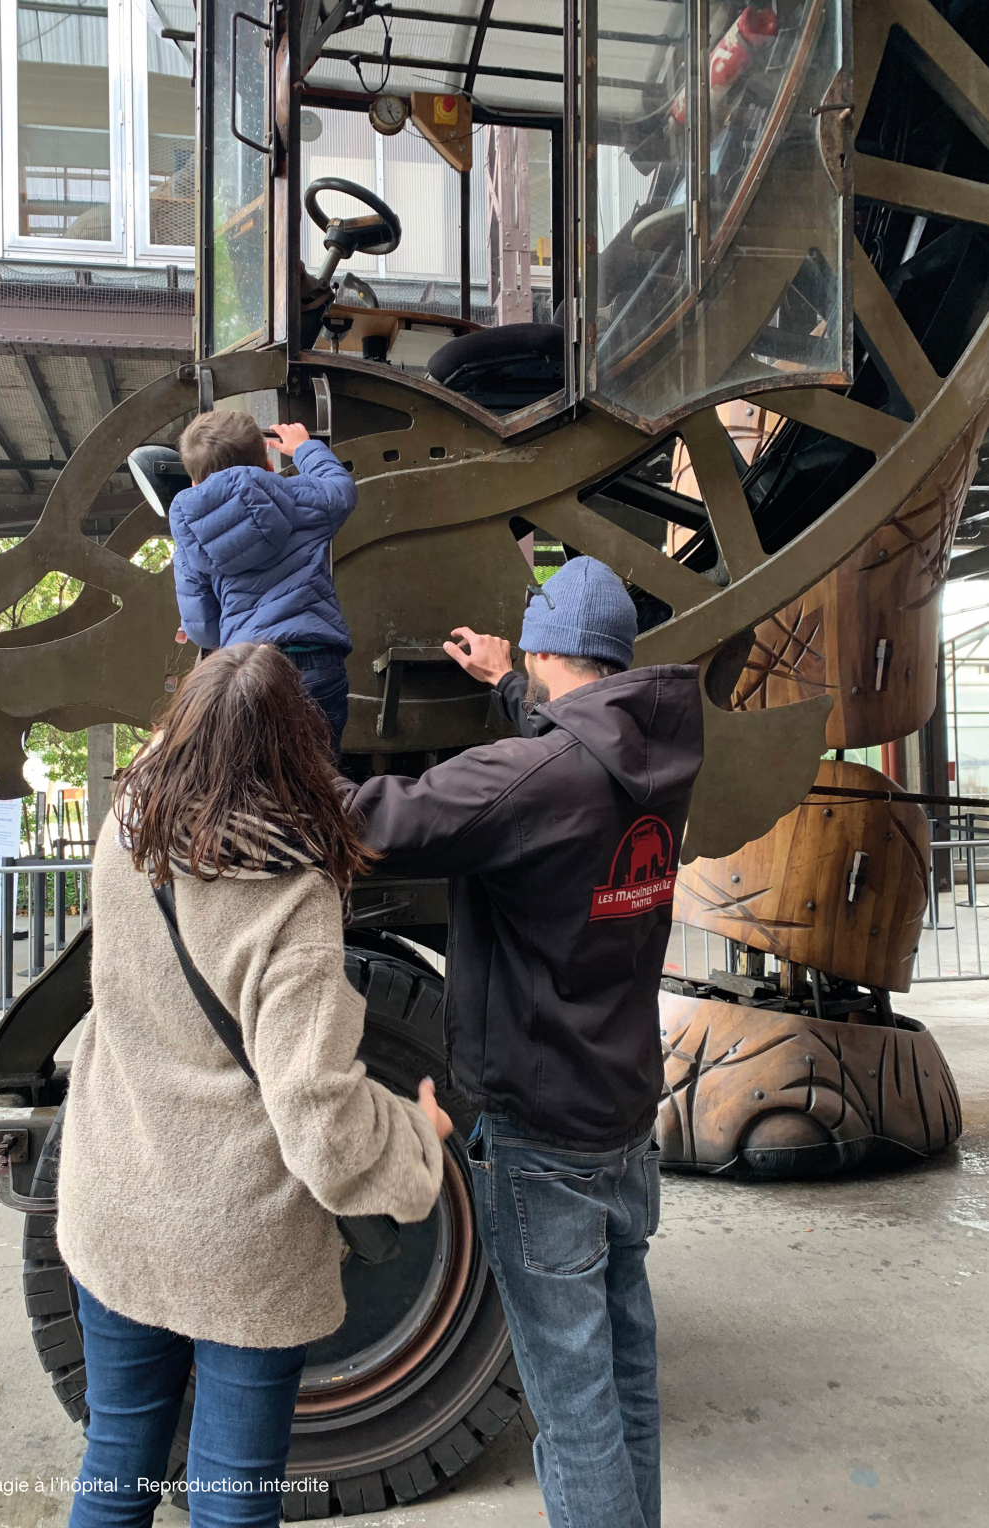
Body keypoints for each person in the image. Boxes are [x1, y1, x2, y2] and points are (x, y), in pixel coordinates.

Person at [56, 643, 450, 1528]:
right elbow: (318, 1119)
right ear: (295, 750)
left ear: (183, 726)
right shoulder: (292, 896)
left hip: (113, 1199)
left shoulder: (124, 838)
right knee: (232, 1497)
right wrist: (416, 1137)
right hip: (238, 1238)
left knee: (117, 1460)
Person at [345, 556, 705, 1528]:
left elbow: (380, 822)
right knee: (625, 1372)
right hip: (623, 1118)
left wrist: (251, 749)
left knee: (573, 1409)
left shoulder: (527, 777)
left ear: (549, 647)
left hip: (542, 1136)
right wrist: (510, 684)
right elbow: (564, 762)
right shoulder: (658, 759)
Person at [168, 410, 356, 759]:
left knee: (265, 776)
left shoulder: (190, 541)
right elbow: (341, 490)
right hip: (316, 662)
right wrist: (305, 449)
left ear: (195, 484)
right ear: (268, 464)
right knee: (322, 774)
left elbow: (205, 631)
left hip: (249, 673)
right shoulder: (301, 496)